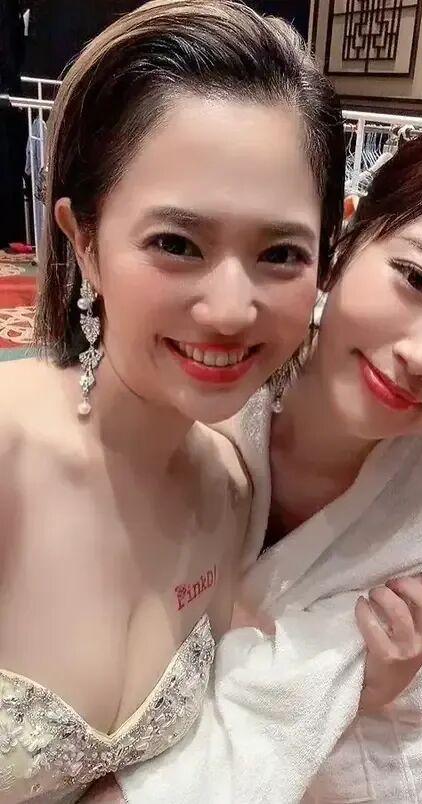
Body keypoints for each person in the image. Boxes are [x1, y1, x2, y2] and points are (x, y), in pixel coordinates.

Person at [110, 121, 422, 802]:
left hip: (352, 772)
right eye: (417, 279)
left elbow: (279, 706)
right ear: (344, 242)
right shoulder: (225, 373)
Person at [0, 1, 347, 801]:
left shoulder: (231, 493)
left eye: (281, 254)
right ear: (85, 243)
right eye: (177, 244)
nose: (230, 310)